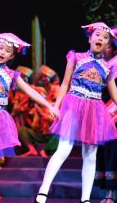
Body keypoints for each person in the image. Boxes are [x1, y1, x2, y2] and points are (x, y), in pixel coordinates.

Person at [0, 33, 59, 203]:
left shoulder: (12, 75)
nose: (2, 51)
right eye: (0, 48)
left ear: (12, 56)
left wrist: (49, 105)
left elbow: (30, 91)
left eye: (7, 50)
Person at [34, 22, 117, 203]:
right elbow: (64, 84)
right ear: (90, 38)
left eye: (105, 38)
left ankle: (85, 199)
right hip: (74, 103)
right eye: (97, 35)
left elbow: (114, 91)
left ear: (107, 44)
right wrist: (56, 106)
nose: (100, 39)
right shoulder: (76, 57)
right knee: (64, 148)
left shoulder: (107, 67)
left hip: (95, 108)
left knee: (90, 153)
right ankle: (43, 191)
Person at [95, 27, 117, 203]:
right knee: (104, 153)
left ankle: (111, 195)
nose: (104, 48)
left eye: (108, 45)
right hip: (101, 114)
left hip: (114, 114)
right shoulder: (98, 64)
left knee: (113, 153)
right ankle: (107, 194)